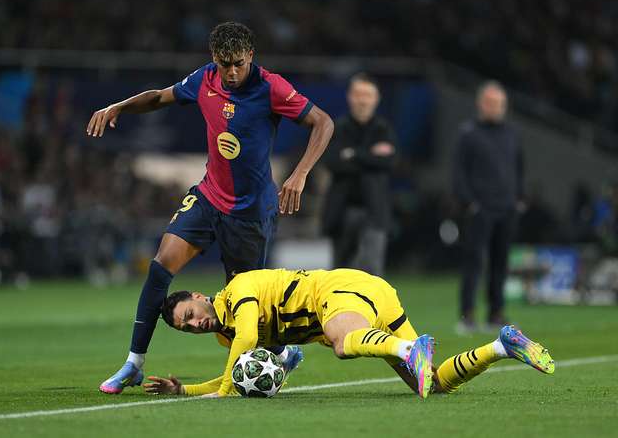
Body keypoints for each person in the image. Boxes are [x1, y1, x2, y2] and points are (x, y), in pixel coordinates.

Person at [86, 22, 334, 394]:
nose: (231, 72)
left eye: (238, 64)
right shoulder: (204, 79)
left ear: (251, 56)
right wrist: (119, 106)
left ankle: (282, 352)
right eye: (224, 64)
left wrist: (300, 173)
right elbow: (159, 97)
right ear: (214, 59)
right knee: (160, 267)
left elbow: (323, 122)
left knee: (242, 306)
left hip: (250, 214)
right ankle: (133, 364)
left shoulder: (271, 87)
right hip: (208, 197)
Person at [144, 268, 554, 399]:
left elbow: (249, 337)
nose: (194, 324)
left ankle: (409, 348)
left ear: (198, 297)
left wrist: (222, 394)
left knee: (342, 345)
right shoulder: (226, 336)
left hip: (340, 292)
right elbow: (236, 374)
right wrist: (187, 390)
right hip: (372, 299)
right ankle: (502, 345)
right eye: (185, 327)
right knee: (432, 383)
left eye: (190, 314)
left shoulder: (237, 290)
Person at [452, 81, 525, 333]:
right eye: (491, 103)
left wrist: (519, 198)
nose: (496, 108)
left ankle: (496, 313)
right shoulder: (468, 133)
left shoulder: (512, 133)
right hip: (480, 209)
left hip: (506, 208)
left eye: (500, 103)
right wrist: (469, 202)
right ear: (481, 104)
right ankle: (467, 315)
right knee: (474, 262)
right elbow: (458, 172)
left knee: (500, 262)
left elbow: (519, 167)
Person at [321, 73, 397, 276]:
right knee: (340, 275)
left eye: (368, 95)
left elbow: (389, 162)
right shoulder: (336, 127)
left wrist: (353, 154)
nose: (363, 100)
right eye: (358, 94)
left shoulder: (384, 129)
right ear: (349, 97)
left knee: (372, 273)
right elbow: (332, 162)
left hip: (375, 211)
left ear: (376, 99)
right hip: (342, 211)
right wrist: (371, 156)